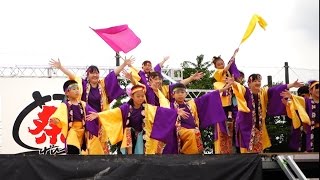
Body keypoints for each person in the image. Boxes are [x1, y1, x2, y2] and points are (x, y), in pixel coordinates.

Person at [49, 57, 134, 154]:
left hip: (100, 119)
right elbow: (72, 76)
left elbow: (113, 74)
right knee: (88, 145)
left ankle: (102, 165)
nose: (95, 75)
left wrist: (124, 64)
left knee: (102, 145)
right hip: (87, 119)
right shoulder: (83, 85)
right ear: (87, 75)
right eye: (92, 73)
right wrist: (60, 67)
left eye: (97, 73)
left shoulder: (103, 84)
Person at [86, 84, 184, 154]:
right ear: (132, 96)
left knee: (141, 155)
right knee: (128, 132)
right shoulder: (126, 107)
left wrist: (175, 112)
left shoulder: (147, 107)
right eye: (138, 96)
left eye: (142, 96)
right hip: (128, 137)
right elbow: (114, 113)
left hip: (142, 136)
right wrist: (99, 115)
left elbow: (161, 112)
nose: (141, 98)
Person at [229, 74, 303, 153]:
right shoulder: (245, 91)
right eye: (254, 81)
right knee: (246, 150)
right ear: (249, 83)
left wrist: (291, 85)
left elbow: (275, 89)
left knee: (259, 150)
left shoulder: (263, 92)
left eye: (259, 81)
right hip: (245, 126)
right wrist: (233, 83)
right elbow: (238, 88)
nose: (257, 83)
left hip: (259, 126)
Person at [163, 83, 230, 154]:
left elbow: (207, 97)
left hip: (194, 129)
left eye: (182, 92)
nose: (180, 94)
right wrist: (175, 112)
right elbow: (163, 112)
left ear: (186, 94)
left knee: (198, 133)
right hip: (178, 131)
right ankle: (187, 154)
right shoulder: (169, 105)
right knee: (192, 133)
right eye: (178, 92)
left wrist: (224, 89)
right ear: (172, 95)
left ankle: (193, 154)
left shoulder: (191, 104)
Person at [49, 80, 102, 155]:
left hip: (83, 131)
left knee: (87, 150)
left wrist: (99, 115)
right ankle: (72, 165)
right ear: (67, 92)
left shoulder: (83, 104)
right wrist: (57, 120)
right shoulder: (65, 105)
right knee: (72, 147)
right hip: (73, 130)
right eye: (74, 89)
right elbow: (60, 114)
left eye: (78, 89)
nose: (77, 91)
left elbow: (94, 114)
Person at [281, 80, 319, 152]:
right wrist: (291, 97)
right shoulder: (306, 101)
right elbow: (298, 101)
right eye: (316, 88)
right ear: (310, 90)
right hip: (310, 132)